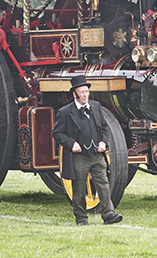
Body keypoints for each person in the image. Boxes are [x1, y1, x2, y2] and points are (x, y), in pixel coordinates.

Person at [51, 75, 123, 226]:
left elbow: (104, 127)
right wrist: (71, 144)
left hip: (96, 154)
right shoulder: (65, 112)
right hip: (79, 157)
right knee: (79, 188)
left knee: (103, 183)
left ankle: (109, 214)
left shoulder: (95, 107)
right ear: (75, 94)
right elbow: (56, 133)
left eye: (86, 92)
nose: (85, 95)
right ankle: (81, 218)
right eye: (82, 92)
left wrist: (103, 142)